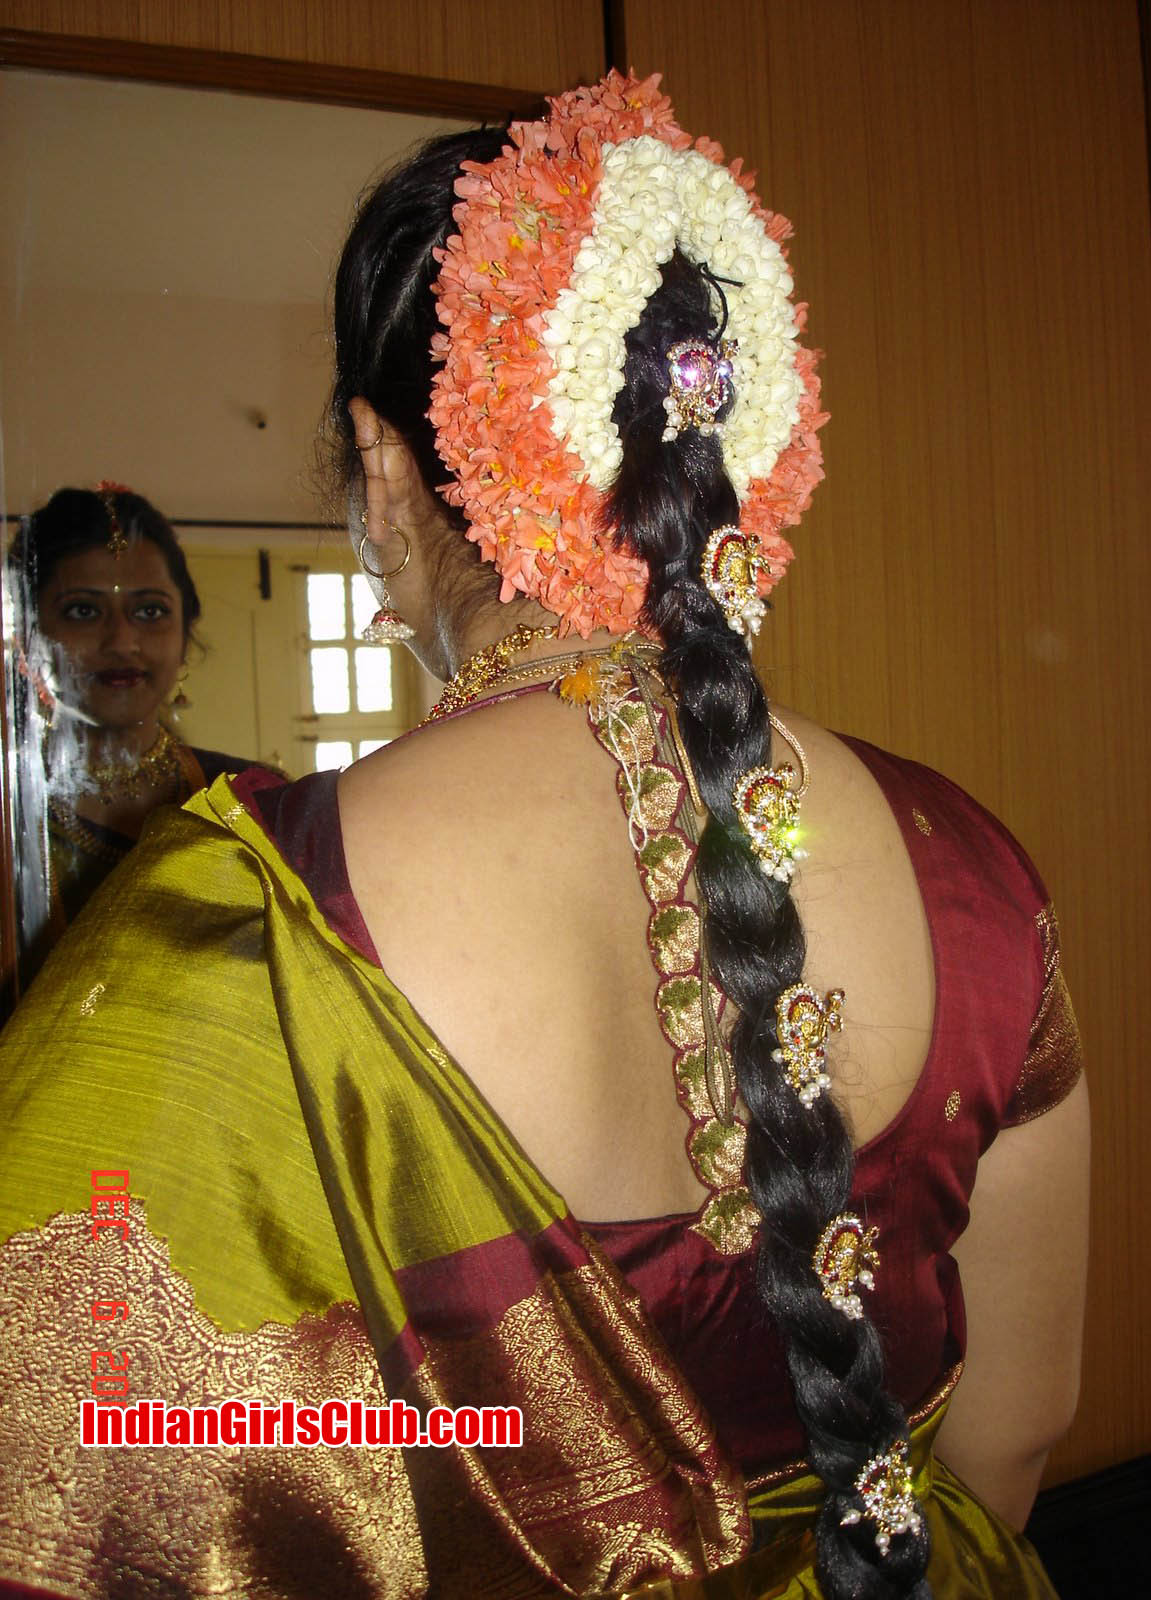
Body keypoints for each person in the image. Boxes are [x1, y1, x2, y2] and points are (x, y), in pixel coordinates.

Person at [0, 74, 1087, 1599]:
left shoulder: (240, 918)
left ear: (383, 468)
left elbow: (84, 1479)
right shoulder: (968, 864)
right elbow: (1019, 1434)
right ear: (736, 446)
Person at [4, 484, 258, 976]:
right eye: (83, 610)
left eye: (150, 611)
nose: (123, 641)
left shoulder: (248, 801)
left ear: (185, 636)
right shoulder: (10, 809)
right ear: (28, 638)